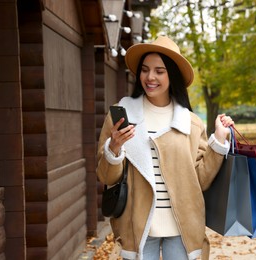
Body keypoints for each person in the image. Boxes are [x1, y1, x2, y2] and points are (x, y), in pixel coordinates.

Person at [96, 36, 234, 260]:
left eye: (160, 71)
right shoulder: (121, 115)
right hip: (137, 226)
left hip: (182, 228)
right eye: (145, 70)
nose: (150, 77)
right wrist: (115, 147)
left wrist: (218, 141)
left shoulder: (190, 122)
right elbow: (105, 175)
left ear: (173, 75)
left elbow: (199, 180)